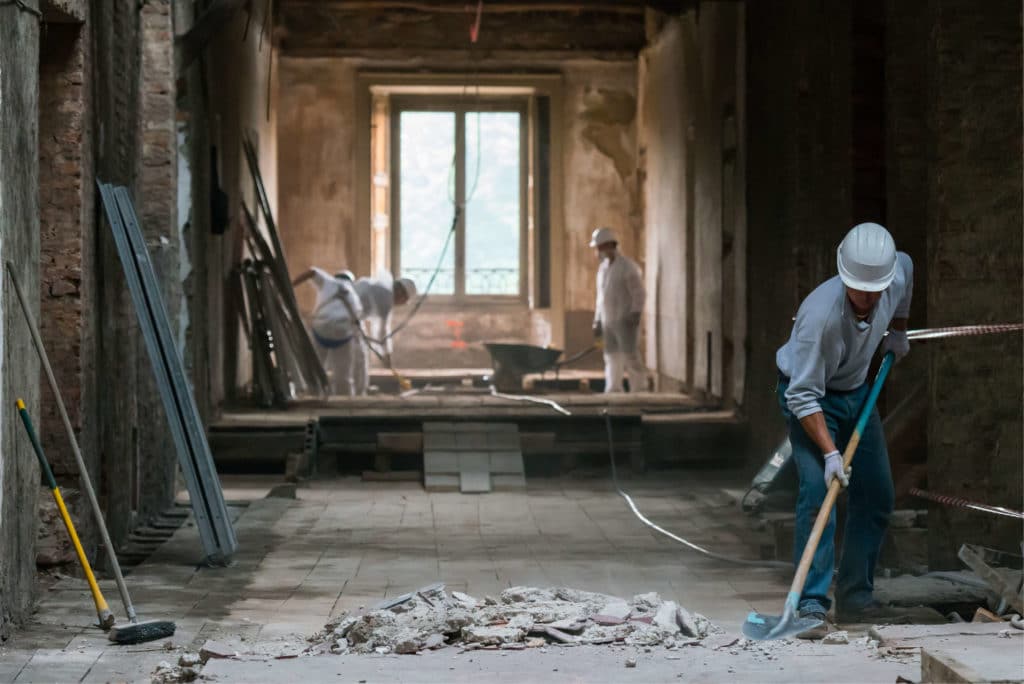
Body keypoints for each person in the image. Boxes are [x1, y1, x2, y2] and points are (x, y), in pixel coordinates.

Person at [776, 222, 913, 638]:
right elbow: (802, 397)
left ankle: (856, 598)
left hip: (858, 393)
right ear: (843, 276)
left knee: (877, 494)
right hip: (812, 401)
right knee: (820, 494)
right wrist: (831, 453)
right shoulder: (819, 317)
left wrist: (900, 329)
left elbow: (907, 266)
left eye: (876, 289)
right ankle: (812, 606)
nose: (869, 298)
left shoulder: (896, 272)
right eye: (859, 288)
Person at [590, 227, 647, 393]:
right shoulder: (603, 269)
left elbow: (639, 293)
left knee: (630, 356)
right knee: (611, 356)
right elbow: (600, 298)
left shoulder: (628, 267)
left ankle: (639, 390)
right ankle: (613, 389)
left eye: (599, 247)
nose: (597, 251)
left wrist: (636, 313)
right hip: (607, 321)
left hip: (625, 320)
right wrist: (597, 320)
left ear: (608, 245)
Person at [292, 267, 363, 396]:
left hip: (321, 328)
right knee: (343, 375)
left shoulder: (328, 281)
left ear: (336, 276)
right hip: (343, 334)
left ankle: (314, 397)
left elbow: (311, 271)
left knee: (315, 370)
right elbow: (357, 320)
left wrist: (290, 286)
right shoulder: (354, 294)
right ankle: (345, 403)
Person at [346, 271, 417, 395]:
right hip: (346, 320)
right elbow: (382, 332)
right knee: (360, 358)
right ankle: (359, 394)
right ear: (400, 293)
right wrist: (387, 356)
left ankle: (360, 390)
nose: (400, 304)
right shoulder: (385, 298)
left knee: (360, 356)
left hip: (351, 319)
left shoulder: (379, 286)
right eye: (403, 301)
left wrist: (384, 353)